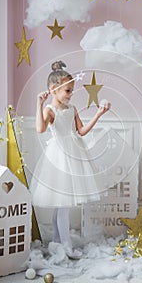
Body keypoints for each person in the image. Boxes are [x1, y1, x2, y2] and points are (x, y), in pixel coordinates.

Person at [30, 61, 110, 258]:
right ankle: (65, 245)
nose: (70, 94)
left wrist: (98, 114)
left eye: (72, 90)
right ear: (53, 90)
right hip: (59, 157)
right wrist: (38, 104)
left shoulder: (72, 108)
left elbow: (81, 131)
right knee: (62, 205)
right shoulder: (49, 110)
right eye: (67, 90)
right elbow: (40, 129)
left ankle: (59, 242)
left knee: (63, 205)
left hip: (75, 153)